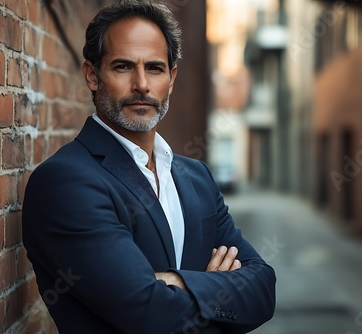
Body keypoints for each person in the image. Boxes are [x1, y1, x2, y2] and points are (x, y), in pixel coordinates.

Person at [22, 1, 276, 333]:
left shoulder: (197, 178)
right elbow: (147, 314)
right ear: (92, 75)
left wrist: (176, 283)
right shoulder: (65, 182)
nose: (141, 84)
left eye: (154, 68)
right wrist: (214, 287)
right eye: (124, 66)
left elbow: (262, 289)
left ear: (170, 79)